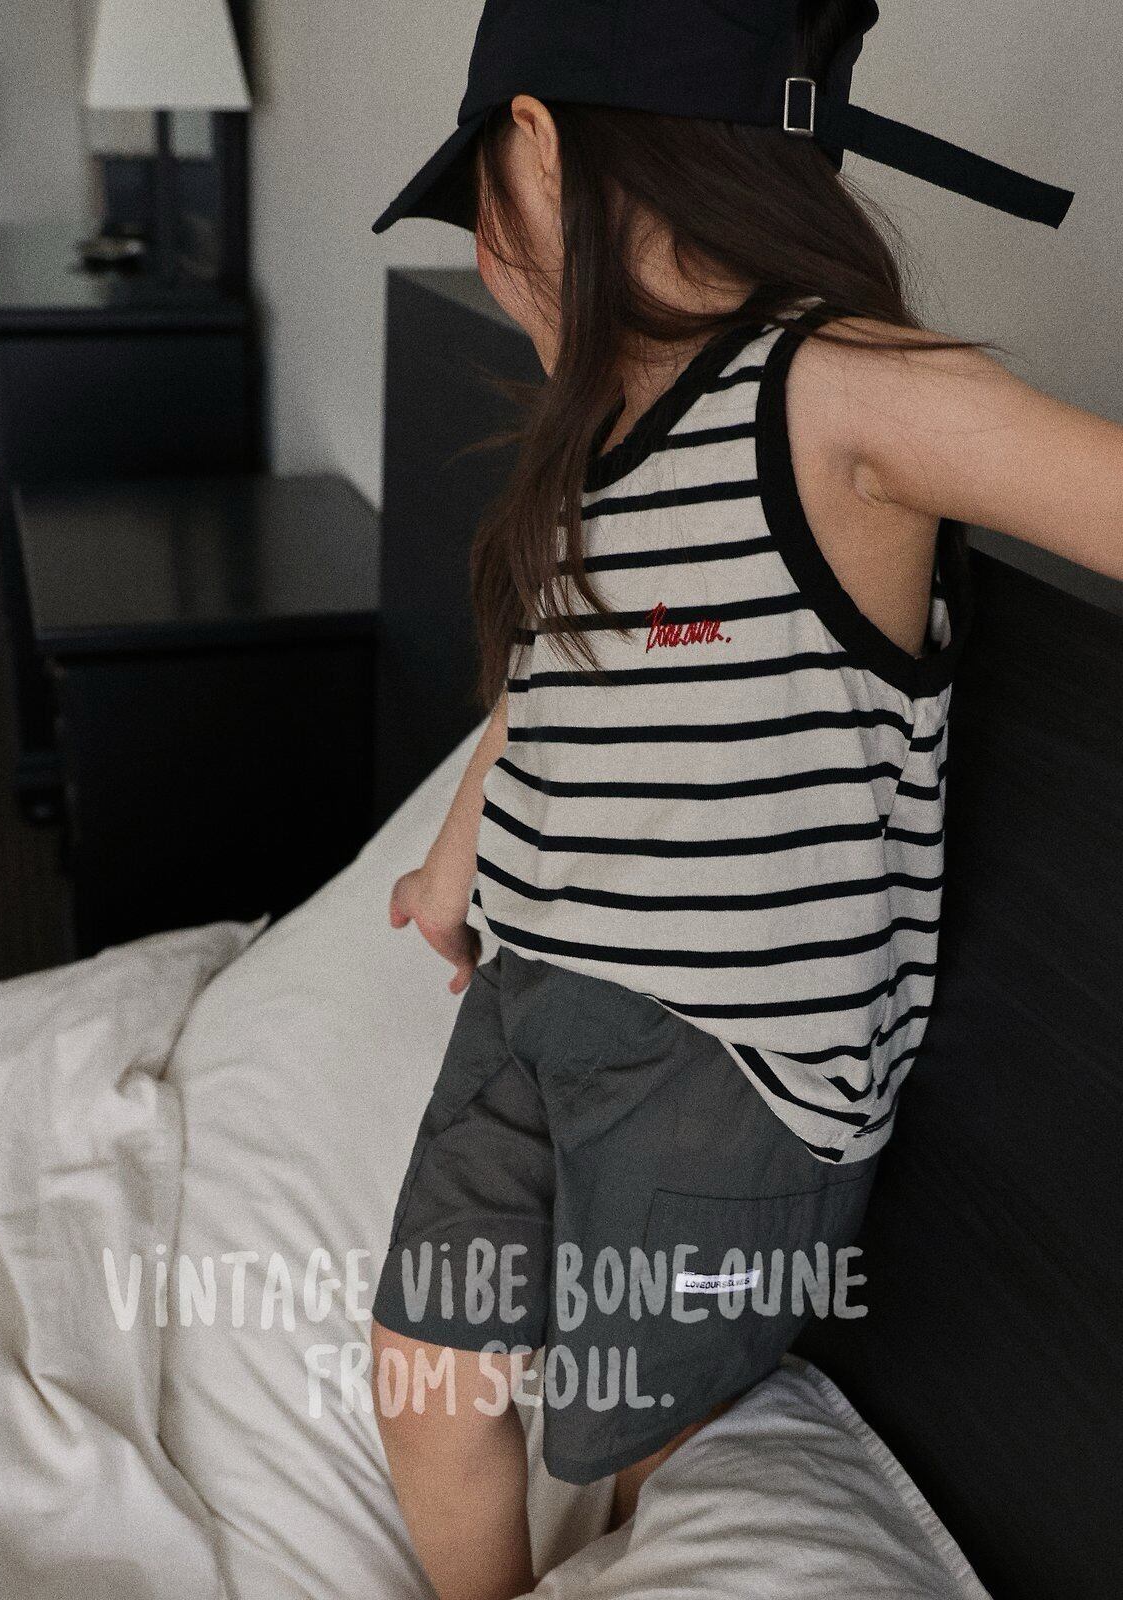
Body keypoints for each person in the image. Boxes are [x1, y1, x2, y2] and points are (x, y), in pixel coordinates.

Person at [366, 4, 1117, 1597]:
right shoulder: (592, 437)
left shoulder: (834, 394)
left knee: (650, 1431)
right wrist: (453, 860)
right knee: (424, 1373)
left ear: (540, 150)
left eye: (480, 211)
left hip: (725, 1057)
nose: (487, 265)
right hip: (530, 996)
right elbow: (551, 691)